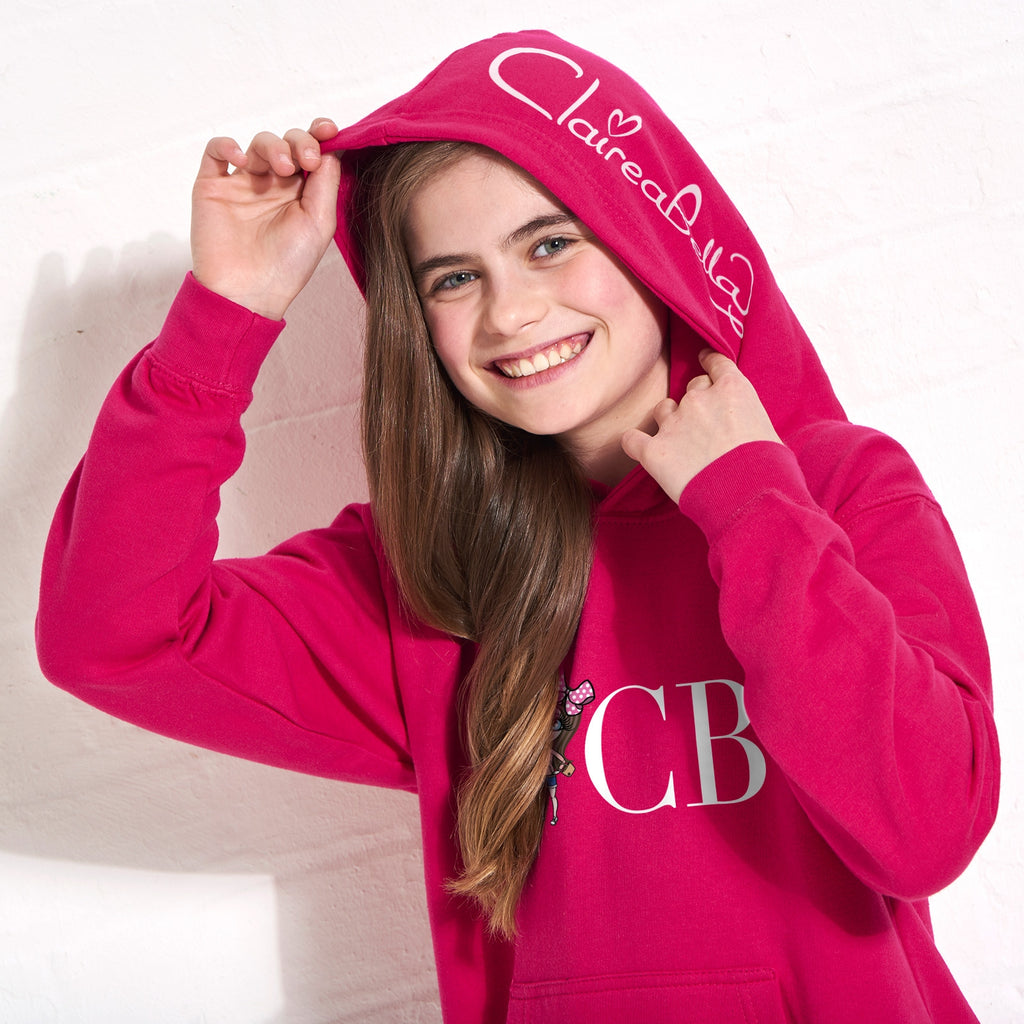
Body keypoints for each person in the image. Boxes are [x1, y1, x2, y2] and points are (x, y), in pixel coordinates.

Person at [36, 29, 998, 1024]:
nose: (510, 313)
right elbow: (112, 636)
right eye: (454, 278)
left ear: (647, 237)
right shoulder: (432, 574)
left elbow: (927, 833)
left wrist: (750, 504)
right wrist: (227, 314)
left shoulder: (834, 490)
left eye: (549, 244)